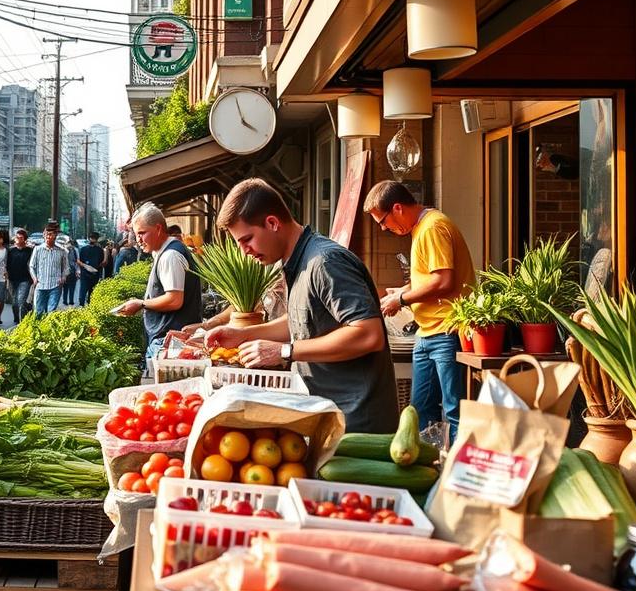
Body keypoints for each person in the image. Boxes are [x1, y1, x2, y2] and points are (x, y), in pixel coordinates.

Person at [206, 179, 396, 433]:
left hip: (358, 423)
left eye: (247, 239)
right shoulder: (296, 259)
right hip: (330, 413)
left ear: (272, 223)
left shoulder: (325, 262)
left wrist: (284, 351)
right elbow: (302, 320)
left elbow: (369, 334)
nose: (244, 252)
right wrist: (244, 334)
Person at [365, 180, 475, 441]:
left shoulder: (433, 227)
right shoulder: (421, 228)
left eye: (383, 221)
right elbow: (428, 279)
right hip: (426, 333)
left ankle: (455, 465)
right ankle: (429, 460)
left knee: (453, 410)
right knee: (420, 409)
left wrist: (402, 299)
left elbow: (444, 282)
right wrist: (400, 292)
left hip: (447, 331)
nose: (383, 228)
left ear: (397, 208)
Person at [115, 203, 202, 360]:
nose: (138, 240)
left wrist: (141, 304)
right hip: (169, 340)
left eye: (142, 233)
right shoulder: (166, 252)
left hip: (169, 342)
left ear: (158, 228)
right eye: (137, 234)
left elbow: (174, 300)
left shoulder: (170, 256)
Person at [29, 228, 70, 315]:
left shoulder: (62, 251)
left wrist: (63, 277)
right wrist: (34, 278)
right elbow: (31, 266)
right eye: (46, 234)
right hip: (40, 285)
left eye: (51, 234)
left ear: (55, 236)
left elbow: (66, 267)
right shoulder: (37, 249)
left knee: (51, 312)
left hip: (55, 285)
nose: (48, 236)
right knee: (38, 312)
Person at [6, 229, 35, 323]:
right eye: (17, 237)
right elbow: (5, 264)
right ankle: (17, 319)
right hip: (12, 279)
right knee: (15, 303)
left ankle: (23, 322)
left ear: (25, 239)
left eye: (21, 238)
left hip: (25, 280)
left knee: (21, 301)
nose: (18, 239)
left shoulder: (30, 250)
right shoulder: (10, 250)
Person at [77, 232, 105, 305]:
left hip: (86, 273)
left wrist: (80, 269)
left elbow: (79, 261)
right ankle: (88, 305)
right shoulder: (100, 250)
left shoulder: (83, 249)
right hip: (94, 273)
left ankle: (82, 305)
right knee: (91, 292)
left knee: (83, 290)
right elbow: (102, 263)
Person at [62, 238, 79, 306]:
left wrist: (77, 271)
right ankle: (65, 301)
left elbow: (77, 261)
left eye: (70, 243)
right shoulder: (63, 251)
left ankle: (71, 301)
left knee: (72, 287)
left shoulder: (75, 250)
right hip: (65, 272)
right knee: (65, 288)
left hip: (72, 271)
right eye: (67, 243)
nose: (69, 244)